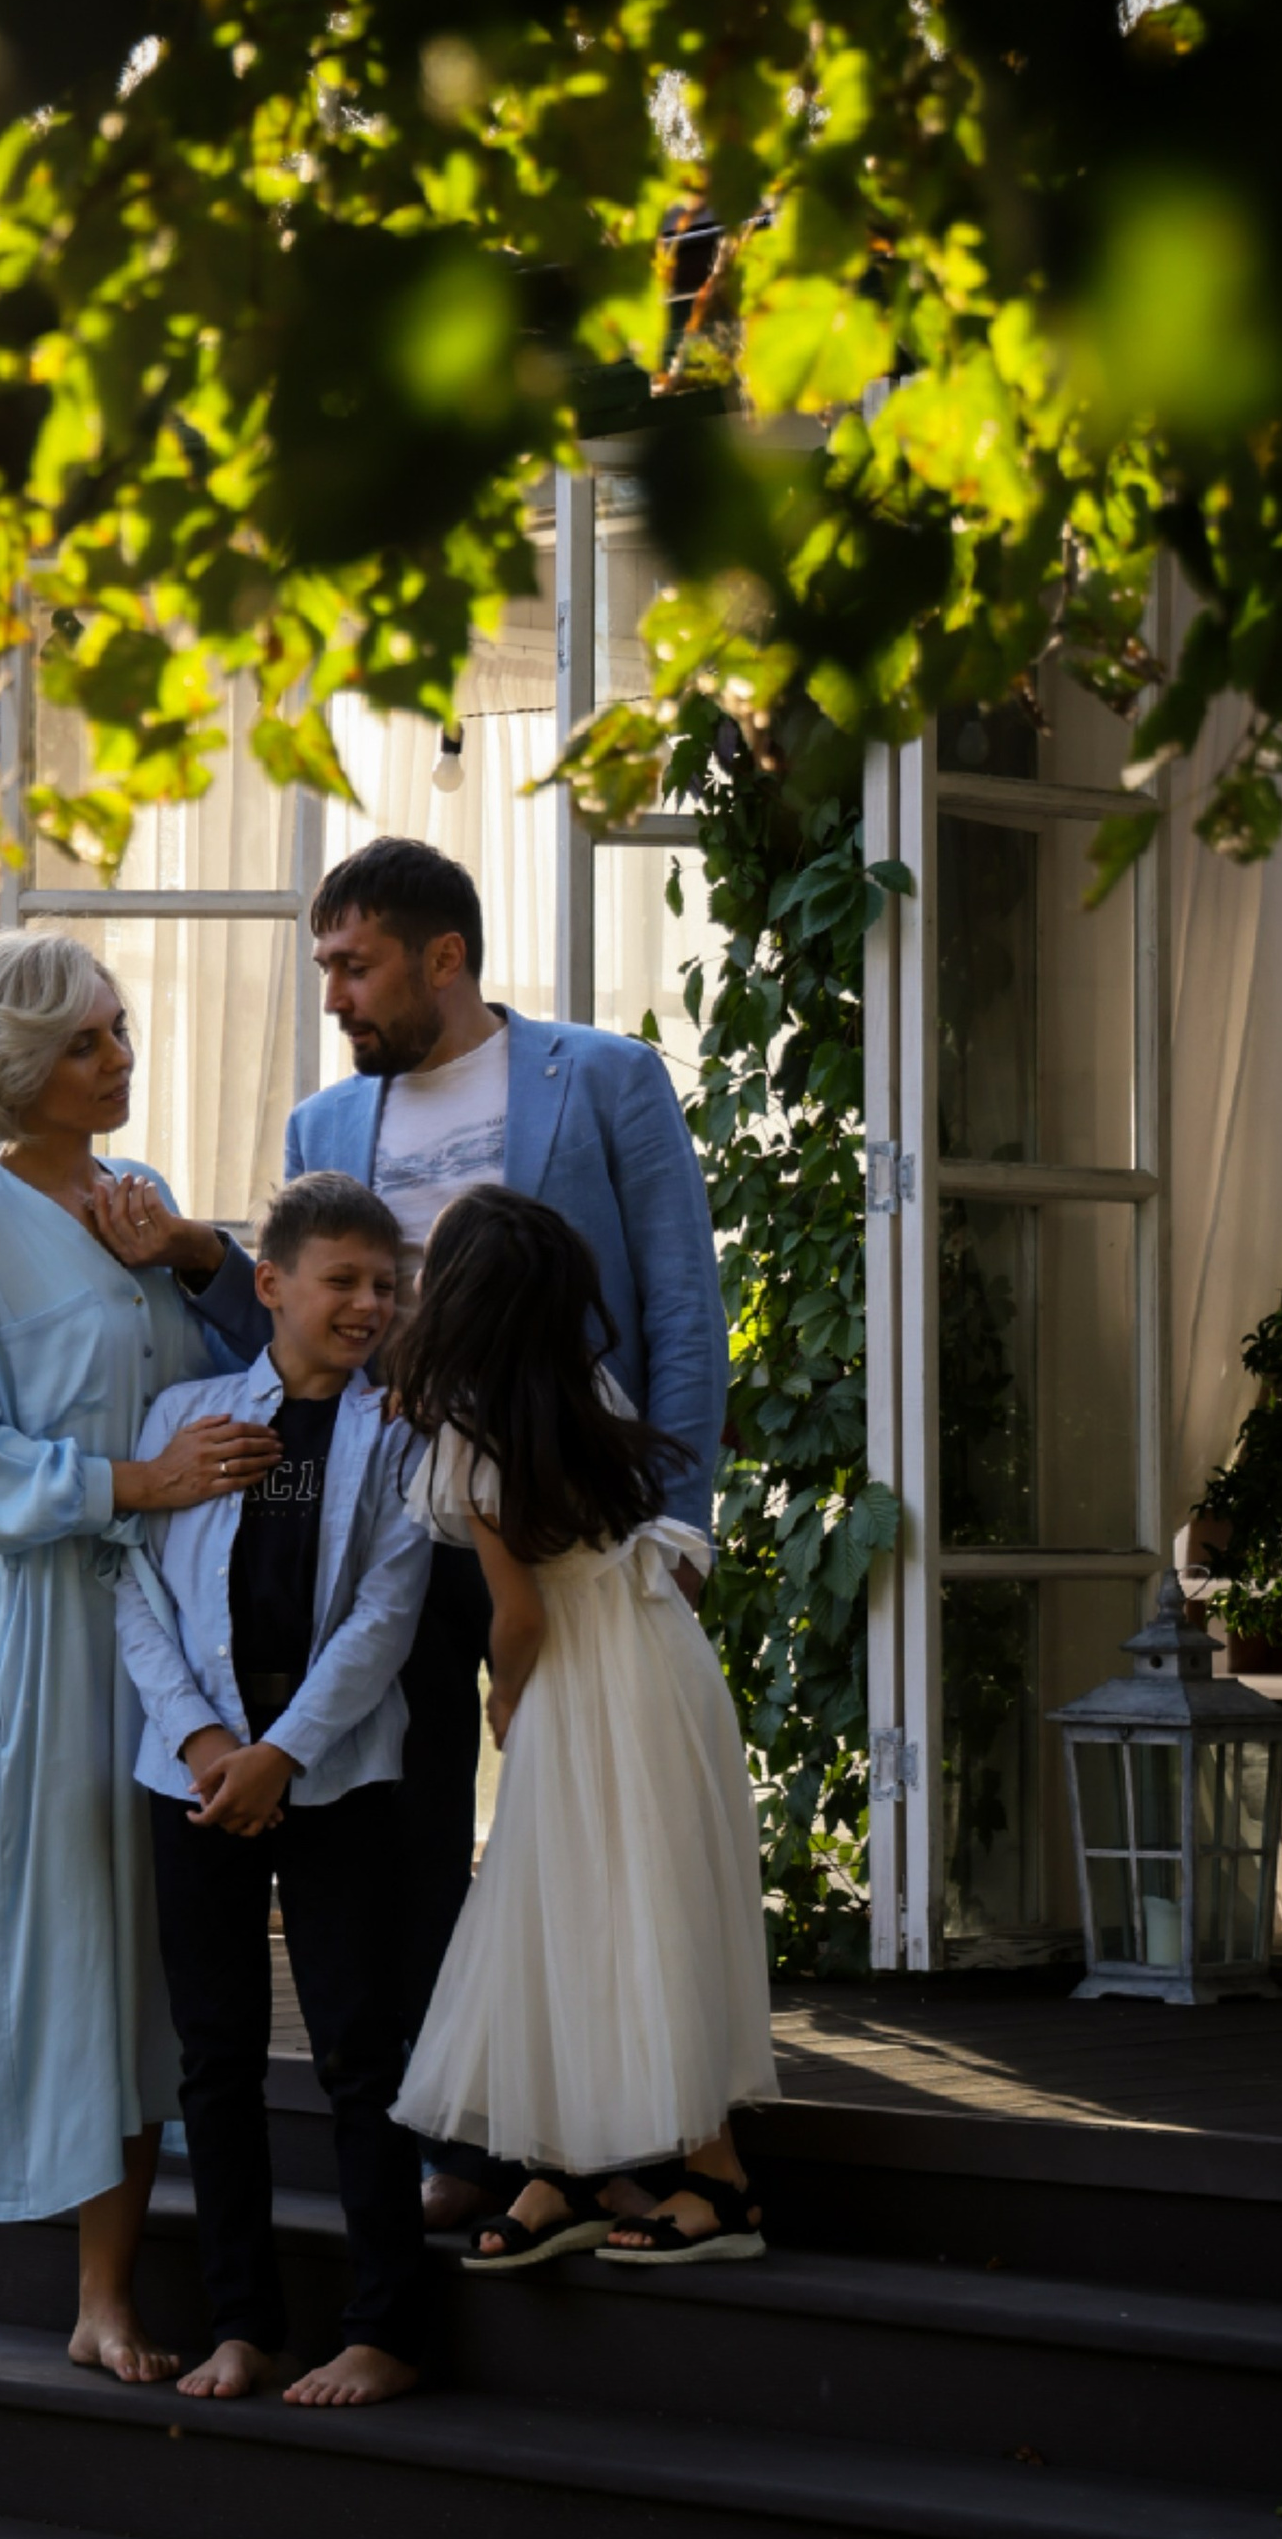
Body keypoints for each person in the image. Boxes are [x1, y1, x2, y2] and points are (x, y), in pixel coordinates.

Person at [87, 837, 728, 2233]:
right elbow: (291, 1318)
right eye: (323, 967)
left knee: (587, 1839)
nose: (335, 995)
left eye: (355, 964)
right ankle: (480, 2143)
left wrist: (677, 1528)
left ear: (445, 958)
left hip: (566, 1536)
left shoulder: (603, 1081)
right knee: (410, 1848)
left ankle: (619, 2134)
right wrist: (198, 1254)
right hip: (392, 1528)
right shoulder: (326, 1129)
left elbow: (680, 1303)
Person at [0, 932, 275, 2394]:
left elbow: (234, 1366)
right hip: (39, 1630)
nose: (122, 1058)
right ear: (26, 1066)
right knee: (22, 1939)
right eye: (94, 1041)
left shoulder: (129, 1203)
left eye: (120, 1032)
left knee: (144, 1956)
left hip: (162, 1632)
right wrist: (134, 1485)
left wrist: (189, 1252)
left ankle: (105, 2294)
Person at [390, 1184, 777, 2267]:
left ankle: (719, 2180)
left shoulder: (471, 1430)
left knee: (600, 1899)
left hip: (582, 1671)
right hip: (651, 1654)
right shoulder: (574, 1388)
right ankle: (559, 2167)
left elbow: (515, 1616)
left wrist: (502, 1693)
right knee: (603, 1898)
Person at [114, 1173, 433, 2407]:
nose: (367, 1305)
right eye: (342, 1282)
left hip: (336, 1778)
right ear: (271, 1285)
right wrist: (201, 1741)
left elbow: (383, 1616)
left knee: (359, 2050)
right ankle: (240, 2322)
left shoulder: (401, 1431)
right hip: (190, 1779)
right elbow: (131, 1584)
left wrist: (281, 1755)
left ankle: (384, 2329)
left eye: (383, 1286)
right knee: (216, 2059)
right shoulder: (189, 1413)